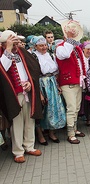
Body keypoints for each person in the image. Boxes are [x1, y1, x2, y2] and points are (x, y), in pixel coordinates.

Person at [0, 30, 43, 163]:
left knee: (30, 120)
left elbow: (32, 69)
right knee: (17, 123)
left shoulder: (21, 52)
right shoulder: (3, 54)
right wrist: (8, 49)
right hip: (13, 94)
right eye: (13, 42)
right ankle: (18, 151)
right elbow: (3, 68)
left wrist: (30, 83)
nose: (16, 44)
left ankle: (29, 146)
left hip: (27, 91)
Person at [55, 20, 86, 144]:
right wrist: (69, 39)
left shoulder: (77, 49)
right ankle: (70, 134)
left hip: (77, 82)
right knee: (71, 108)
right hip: (67, 83)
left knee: (77, 107)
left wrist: (83, 77)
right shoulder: (61, 47)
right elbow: (65, 55)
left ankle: (75, 128)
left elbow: (83, 64)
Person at [32, 35, 66, 144]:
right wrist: (40, 93)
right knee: (41, 109)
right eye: (41, 45)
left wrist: (57, 86)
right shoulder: (33, 57)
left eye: (45, 45)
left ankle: (52, 132)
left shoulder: (51, 55)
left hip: (51, 83)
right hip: (41, 84)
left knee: (53, 109)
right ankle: (40, 134)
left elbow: (55, 73)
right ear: (35, 46)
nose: (44, 47)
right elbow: (33, 76)